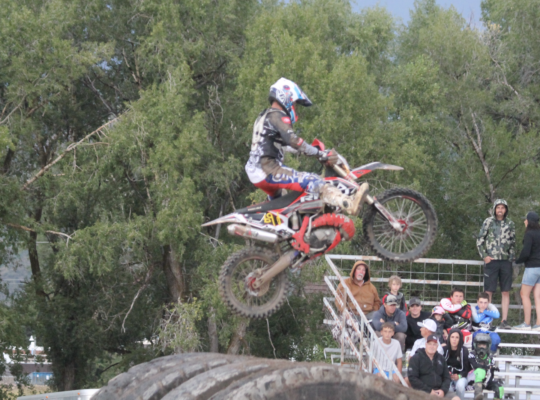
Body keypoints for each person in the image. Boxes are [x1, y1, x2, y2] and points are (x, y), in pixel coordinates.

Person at [245, 77, 368, 214]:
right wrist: (319, 153)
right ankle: (348, 204)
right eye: (295, 104)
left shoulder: (264, 116)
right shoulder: (277, 116)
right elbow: (295, 141)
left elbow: (283, 146)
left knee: (281, 205)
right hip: (268, 170)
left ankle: (278, 221)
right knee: (314, 180)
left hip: (256, 170)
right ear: (287, 97)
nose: (295, 107)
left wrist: (309, 151)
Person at [476, 199, 516, 329]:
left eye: (503, 208)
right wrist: (484, 256)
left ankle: (504, 320)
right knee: (488, 291)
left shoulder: (510, 223)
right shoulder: (488, 222)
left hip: (505, 262)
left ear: (506, 210)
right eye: (498, 207)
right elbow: (480, 240)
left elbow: (513, 242)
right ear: (494, 209)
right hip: (491, 261)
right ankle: (487, 320)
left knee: (505, 291)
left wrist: (511, 257)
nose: (500, 210)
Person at [407, 335, 459, 399]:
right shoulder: (416, 358)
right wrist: (429, 391)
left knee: (456, 399)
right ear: (426, 344)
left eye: (434, 344)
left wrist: (443, 390)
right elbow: (412, 378)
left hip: (440, 391)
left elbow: (447, 377)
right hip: (422, 392)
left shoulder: (441, 359)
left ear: (437, 346)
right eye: (430, 344)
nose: (432, 346)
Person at [514, 211, 540, 330]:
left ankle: (527, 323)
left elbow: (526, 252)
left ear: (529, 221)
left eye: (526, 219)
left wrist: (517, 261)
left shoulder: (529, 234)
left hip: (532, 268)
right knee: (537, 297)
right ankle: (538, 324)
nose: (525, 221)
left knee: (524, 294)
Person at [468, 333, 504, 400]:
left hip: (486, 381)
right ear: (476, 345)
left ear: (488, 346)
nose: (481, 347)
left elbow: (491, 373)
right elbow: (475, 366)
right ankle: (477, 394)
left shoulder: (490, 357)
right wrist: (487, 367)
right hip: (473, 381)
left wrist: (492, 369)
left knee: (500, 388)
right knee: (480, 371)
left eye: (483, 345)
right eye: (480, 345)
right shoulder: (472, 354)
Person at [442, 329, 471, 400]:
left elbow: (466, 369)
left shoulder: (464, 350)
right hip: (447, 376)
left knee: (460, 385)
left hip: (461, 376)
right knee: (448, 387)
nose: (454, 340)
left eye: (457, 337)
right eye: (452, 337)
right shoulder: (444, 349)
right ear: (449, 338)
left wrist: (459, 376)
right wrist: (447, 374)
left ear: (460, 339)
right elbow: (441, 366)